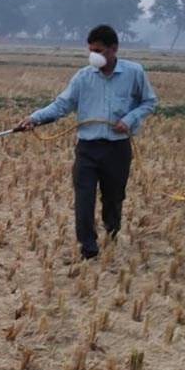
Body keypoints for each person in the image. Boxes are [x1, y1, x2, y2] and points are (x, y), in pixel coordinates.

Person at [17, 24, 157, 260]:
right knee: (84, 198)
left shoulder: (134, 73)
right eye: (91, 50)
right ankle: (88, 248)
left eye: (99, 51)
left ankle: (112, 229)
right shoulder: (83, 77)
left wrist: (130, 119)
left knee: (113, 198)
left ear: (114, 49)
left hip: (117, 147)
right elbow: (61, 105)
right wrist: (34, 118)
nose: (94, 56)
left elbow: (149, 102)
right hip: (88, 149)